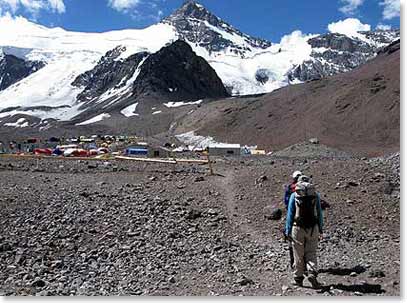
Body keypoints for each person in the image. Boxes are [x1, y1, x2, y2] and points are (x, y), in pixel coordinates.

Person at [285, 175, 323, 288]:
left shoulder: (294, 195)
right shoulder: (315, 195)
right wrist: (320, 228)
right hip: (313, 228)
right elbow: (319, 214)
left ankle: (298, 278)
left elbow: (290, 215)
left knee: (298, 253)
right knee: (311, 252)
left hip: (298, 228)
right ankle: (311, 273)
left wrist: (288, 231)